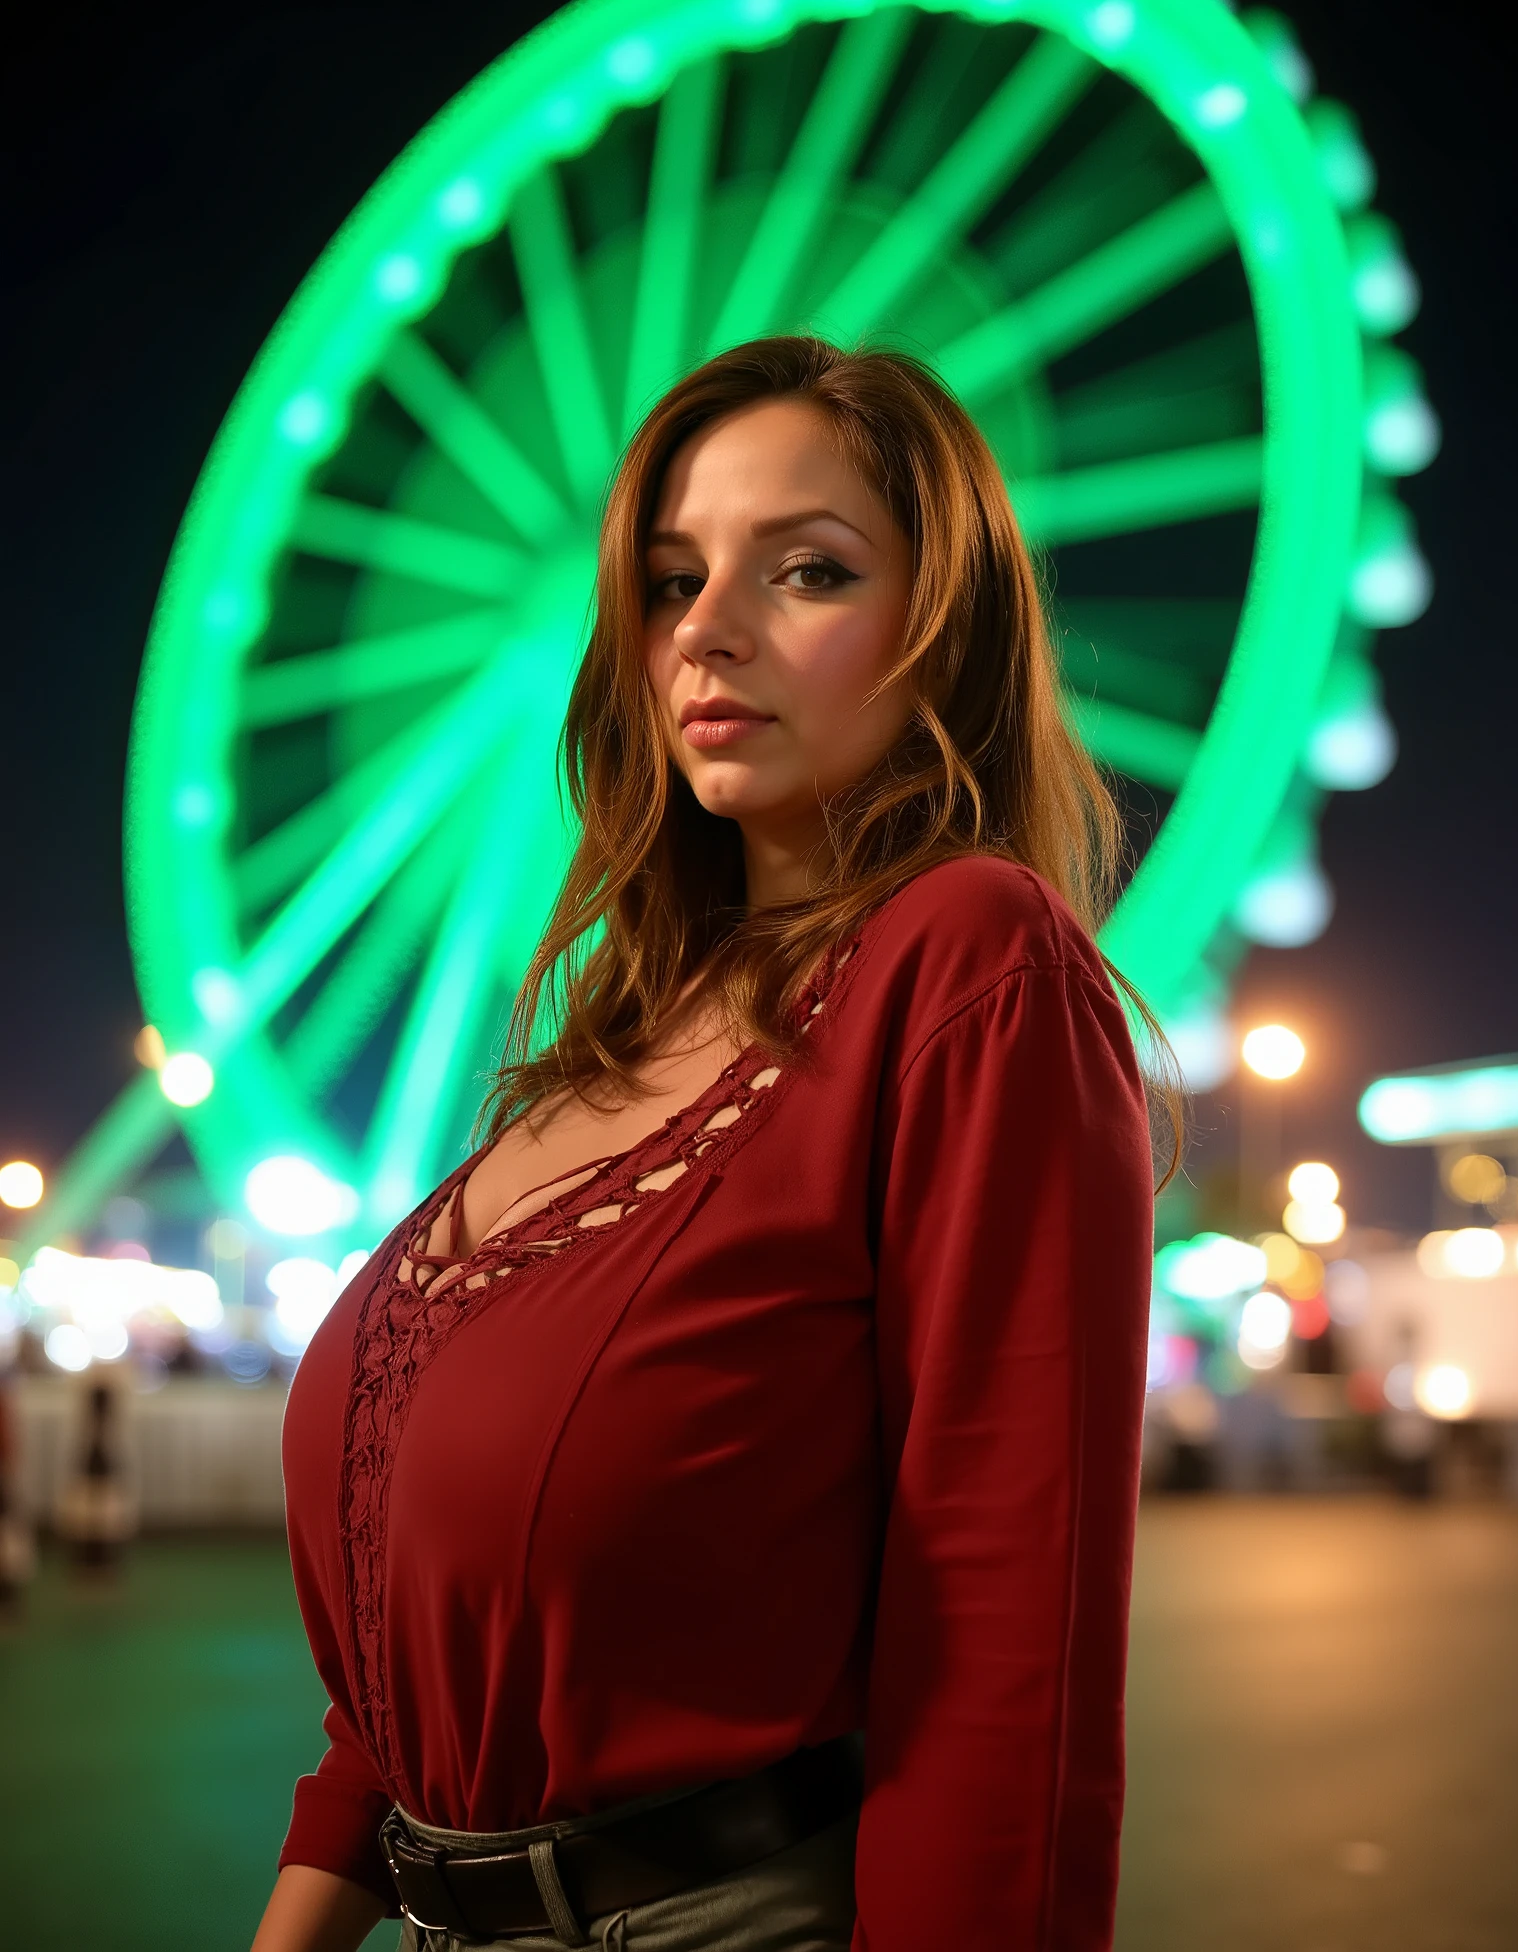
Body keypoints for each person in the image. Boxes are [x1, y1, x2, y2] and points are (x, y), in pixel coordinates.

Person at [254, 337, 1172, 1952]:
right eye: (672, 581)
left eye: (808, 571)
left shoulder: (968, 962)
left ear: (941, 628)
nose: (710, 633)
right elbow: (407, 1666)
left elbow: (1009, 1633)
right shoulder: (594, 1055)